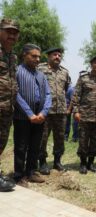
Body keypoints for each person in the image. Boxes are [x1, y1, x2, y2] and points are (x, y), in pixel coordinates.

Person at [14, 44, 51, 184]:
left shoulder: (41, 75)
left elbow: (48, 94)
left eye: (38, 57)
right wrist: (29, 114)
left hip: (40, 117)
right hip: (22, 117)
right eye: (33, 56)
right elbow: (15, 94)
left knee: (35, 146)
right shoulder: (17, 71)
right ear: (24, 55)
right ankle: (19, 175)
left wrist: (44, 112)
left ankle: (31, 172)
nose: (37, 59)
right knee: (21, 146)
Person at [72, 54, 96, 174]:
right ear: (91, 64)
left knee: (95, 141)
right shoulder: (83, 79)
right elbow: (76, 95)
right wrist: (76, 111)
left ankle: (91, 162)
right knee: (83, 140)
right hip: (84, 116)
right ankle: (83, 163)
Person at [38, 47, 71, 175]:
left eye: (59, 55)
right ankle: (42, 162)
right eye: (54, 55)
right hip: (45, 111)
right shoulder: (40, 69)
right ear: (48, 56)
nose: (57, 57)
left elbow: (66, 88)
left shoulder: (65, 72)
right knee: (43, 138)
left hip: (60, 111)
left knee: (60, 137)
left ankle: (57, 161)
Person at [0, 18, 20, 191]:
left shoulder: (13, 56)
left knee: (2, 141)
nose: (12, 35)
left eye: (15, 32)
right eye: (8, 31)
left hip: (7, 108)